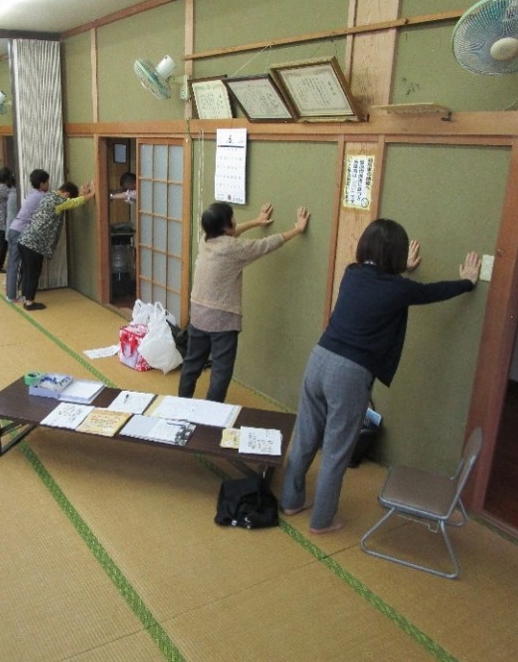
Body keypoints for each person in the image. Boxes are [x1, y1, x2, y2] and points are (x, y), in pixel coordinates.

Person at [280, 218, 481, 534]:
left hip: (319, 358)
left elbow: (381, 288)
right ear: (396, 256)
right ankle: (322, 520)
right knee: (336, 451)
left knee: (305, 436)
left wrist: (402, 272)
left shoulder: (352, 273)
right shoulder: (399, 289)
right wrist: (467, 282)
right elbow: (432, 292)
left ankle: (291, 501)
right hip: (349, 373)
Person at [178, 202, 310, 403]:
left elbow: (232, 232)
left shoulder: (206, 239)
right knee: (221, 371)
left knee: (192, 363)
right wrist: (297, 229)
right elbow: (267, 244)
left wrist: (256, 221)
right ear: (226, 227)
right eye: (232, 218)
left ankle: (179, 403)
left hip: (198, 313)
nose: (235, 220)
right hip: (222, 318)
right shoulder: (234, 248)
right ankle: (211, 413)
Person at [17, 180, 96, 311]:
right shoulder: (58, 200)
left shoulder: (49, 195)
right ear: (66, 194)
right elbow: (73, 203)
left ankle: (26, 297)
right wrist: (91, 194)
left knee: (27, 271)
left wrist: (82, 195)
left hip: (24, 240)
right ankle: (29, 302)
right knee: (33, 273)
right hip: (34, 243)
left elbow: (71, 201)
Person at [5, 169, 49, 303]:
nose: (48, 185)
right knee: (16, 264)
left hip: (14, 228)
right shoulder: (41, 196)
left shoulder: (32, 194)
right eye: (47, 182)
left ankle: (11, 292)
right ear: (41, 184)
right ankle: (12, 295)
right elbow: (57, 200)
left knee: (13, 263)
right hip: (20, 231)